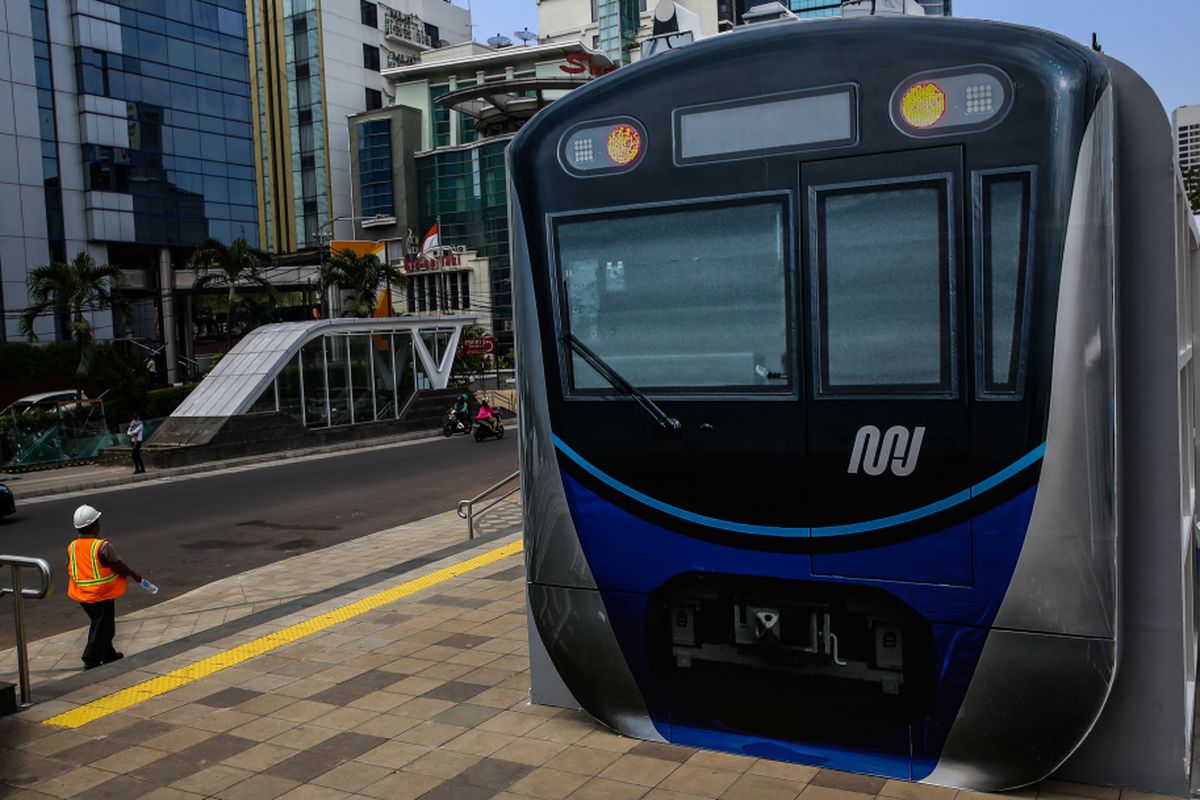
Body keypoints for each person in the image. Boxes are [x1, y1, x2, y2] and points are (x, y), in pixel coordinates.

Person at [66, 504, 145, 670]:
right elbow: (118, 565)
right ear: (95, 525)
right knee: (101, 625)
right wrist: (134, 574)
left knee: (103, 625)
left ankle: (108, 654)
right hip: (100, 595)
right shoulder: (102, 546)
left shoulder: (72, 547)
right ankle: (90, 657)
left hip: (82, 595)